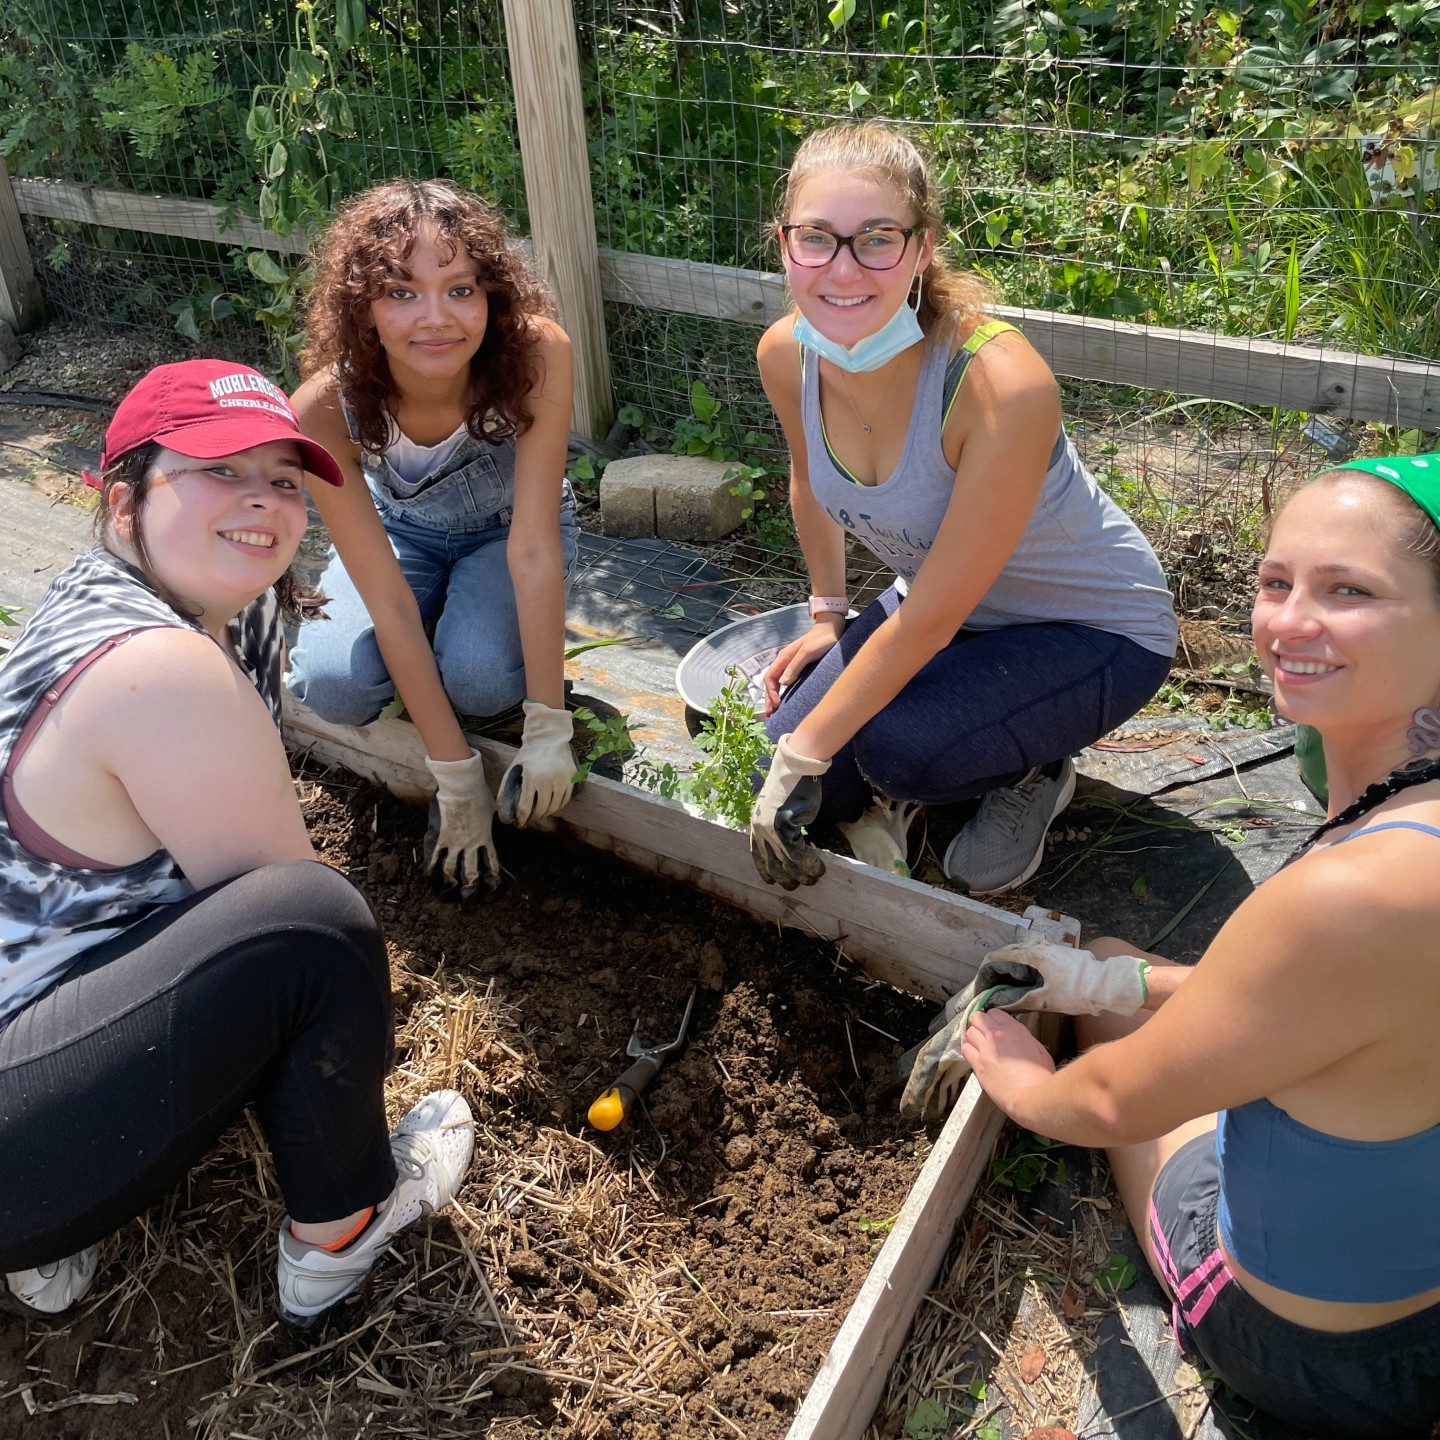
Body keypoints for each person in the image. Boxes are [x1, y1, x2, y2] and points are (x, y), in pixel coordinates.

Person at [941, 458, 1440, 1437]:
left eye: (1348, 591)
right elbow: (1343, 1000)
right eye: (1276, 581)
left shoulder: (1340, 896)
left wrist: (1019, 1080)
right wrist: (1127, 975)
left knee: (1111, 1033)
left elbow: (1115, 1099)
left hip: (1318, 1358)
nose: (1289, 621)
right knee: (1122, 972)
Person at [0, 360, 474, 1326]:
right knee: (310, 927)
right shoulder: (165, 666)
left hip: (27, 1043)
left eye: (286, 480)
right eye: (220, 470)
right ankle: (342, 1231)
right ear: (124, 498)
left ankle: (56, 1217)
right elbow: (281, 919)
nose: (264, 501)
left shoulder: (119, 596)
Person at [747, 122, 1177, 893]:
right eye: (817, 238)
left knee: (902, 753)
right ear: (785, 244)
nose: (843, 270)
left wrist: (804, 754)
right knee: (793, 778)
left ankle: (1036, 770)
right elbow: (808, 479)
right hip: (947, 605)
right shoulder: (786, 353)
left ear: (921, 246)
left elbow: (932, 620)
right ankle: (970, 726)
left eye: (877, 239)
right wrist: (827, 614)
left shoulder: (999, 383)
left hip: (1087, 627)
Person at [286, 180, 581, 902]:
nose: (436, 318)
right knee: (332, 686)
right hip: (402, 538)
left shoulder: (536, 356)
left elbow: (535, 548)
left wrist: (547, 726)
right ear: (362, 307)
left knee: (478, 680)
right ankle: (435, 656)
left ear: (492, 296)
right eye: (402, 292)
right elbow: (386, 594)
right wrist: (455, 779)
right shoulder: (326, 407)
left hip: (512, 533)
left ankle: (473, 655)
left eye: (460, 289)